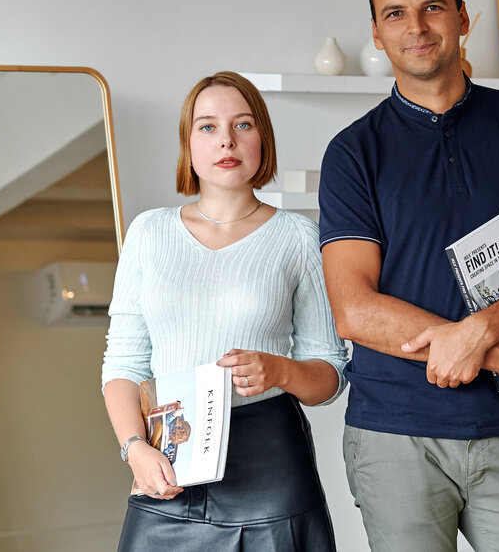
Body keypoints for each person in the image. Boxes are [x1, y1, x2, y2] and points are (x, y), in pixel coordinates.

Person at [319, 0, 499, 551]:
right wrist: (493, 352)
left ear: (463, 18)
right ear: (377, 33)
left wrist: (479, 332)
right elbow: (354, 310)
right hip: (395, 437)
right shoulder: (352, 153)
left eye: (433, 7)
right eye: (395, 13)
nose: (416, 26)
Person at [102, 71, 347, 551]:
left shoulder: (299, 238)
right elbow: (123, 365)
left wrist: (280, 370)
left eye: (243, 124)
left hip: (270, 468)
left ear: (263, 139)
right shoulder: (148, 233)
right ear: (188, 144)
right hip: (167, 458)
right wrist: (134, 450)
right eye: (208, 126)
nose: (226, 140)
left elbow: (331, 374)